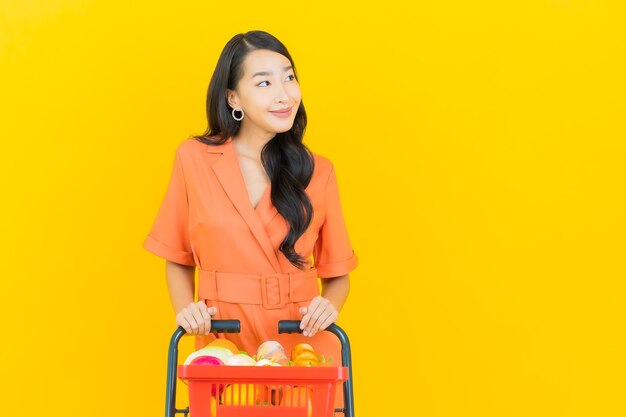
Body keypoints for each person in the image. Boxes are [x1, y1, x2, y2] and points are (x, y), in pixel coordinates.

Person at [142, 30, 358, 368]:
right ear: (233, 99)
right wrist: (187, 310)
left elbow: (338, 271)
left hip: (301, 338)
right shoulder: (194, 159)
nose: (284, 95)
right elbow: (176, 253)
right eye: (264, 83)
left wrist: (328, 306)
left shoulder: (319, 171)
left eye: (289, 78)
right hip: (224, 335)